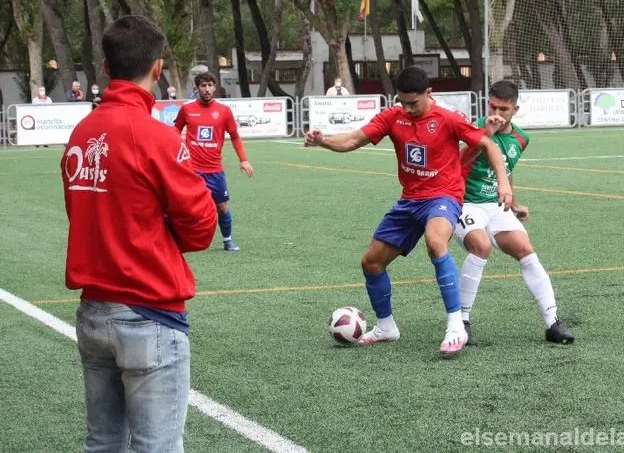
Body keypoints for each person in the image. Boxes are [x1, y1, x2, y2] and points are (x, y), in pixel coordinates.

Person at [61, 15, 217, 452]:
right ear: (157, 68)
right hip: (149, 311)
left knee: (103, 444)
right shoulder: (156, 136)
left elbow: (82, 212)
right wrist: (160, 229)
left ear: (106, 67)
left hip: (93, 311)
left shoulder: (81, 132)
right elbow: (201, 227)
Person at [305, 66, 513, 355]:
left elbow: (488, 145)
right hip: (410, 200)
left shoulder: (448, 118)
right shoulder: (393, 117)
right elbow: (354, 139)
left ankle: (456, 326)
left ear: (429, 93)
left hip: (443, 196)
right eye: (402, 102)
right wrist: (323, 141)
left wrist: (504, 183)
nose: (407, 108)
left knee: (435, 241)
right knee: (371, 262)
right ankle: (386, 327)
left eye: (413, 102)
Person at [453, 80, 574, 346]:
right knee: (481, 246)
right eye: (493, 107)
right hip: (464, 203)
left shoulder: (521, 138)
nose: (496, 114)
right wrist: (485, 136)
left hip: (495, 206)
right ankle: (461, 321)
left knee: (526, 250)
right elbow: (457, 163)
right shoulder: (475, 128)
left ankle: (553, 323)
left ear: (515, 110)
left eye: (503, 109)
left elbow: (507, 169)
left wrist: (514, 201)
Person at [174, 72, 254, 251]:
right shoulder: (187, 109)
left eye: (210, 85)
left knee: (222, 207)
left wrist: (243, 160)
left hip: (214, 170)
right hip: (191, 169)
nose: (207, 89)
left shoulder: (224, 111)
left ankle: (227, 240)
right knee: (184, 206)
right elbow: (176, 130)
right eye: (203, 85)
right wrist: (175, 149)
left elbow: (234, 136)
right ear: (197, 88)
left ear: (215, 87)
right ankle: (180, 240)